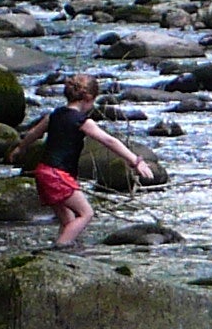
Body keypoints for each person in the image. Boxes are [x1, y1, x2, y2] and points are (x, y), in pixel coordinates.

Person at [19, 73, 153, 247]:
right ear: (88, 98)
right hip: (57, 175)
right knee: (86, 213)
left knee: (68, 221)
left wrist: (19, 149)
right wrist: (135, 161)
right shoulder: (81, 121)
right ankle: (57, 249)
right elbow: (109, 140)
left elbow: (33, 134)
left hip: (43, 172)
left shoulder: (54, 115)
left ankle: (64, 252)